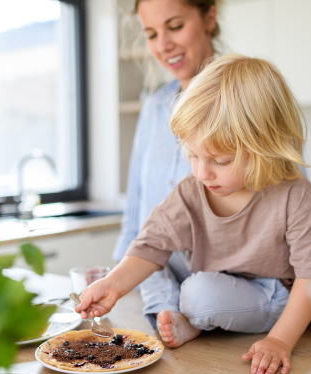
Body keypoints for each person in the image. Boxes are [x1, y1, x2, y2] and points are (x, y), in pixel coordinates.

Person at [77, 54, 311, 374]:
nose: (202, 172)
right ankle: (185, 317)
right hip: (215, 276)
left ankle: (292, 312)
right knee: (157, 265)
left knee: (199, 295)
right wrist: (112, 284)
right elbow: (149, 245)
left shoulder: (295, 195)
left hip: (269, 292)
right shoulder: (192, 189)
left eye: (220, 161)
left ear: (266, 145)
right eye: (193, 155)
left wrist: (279, 339)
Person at [114, 0, 221, 330]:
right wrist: (119, 282)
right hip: (160, 300)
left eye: (175, 26)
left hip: (228, 301)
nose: (163, 45)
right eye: (151, 33)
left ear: (209, 17)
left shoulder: (249, 98)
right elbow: (136, 221)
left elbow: (285, 216)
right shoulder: (155, 107)